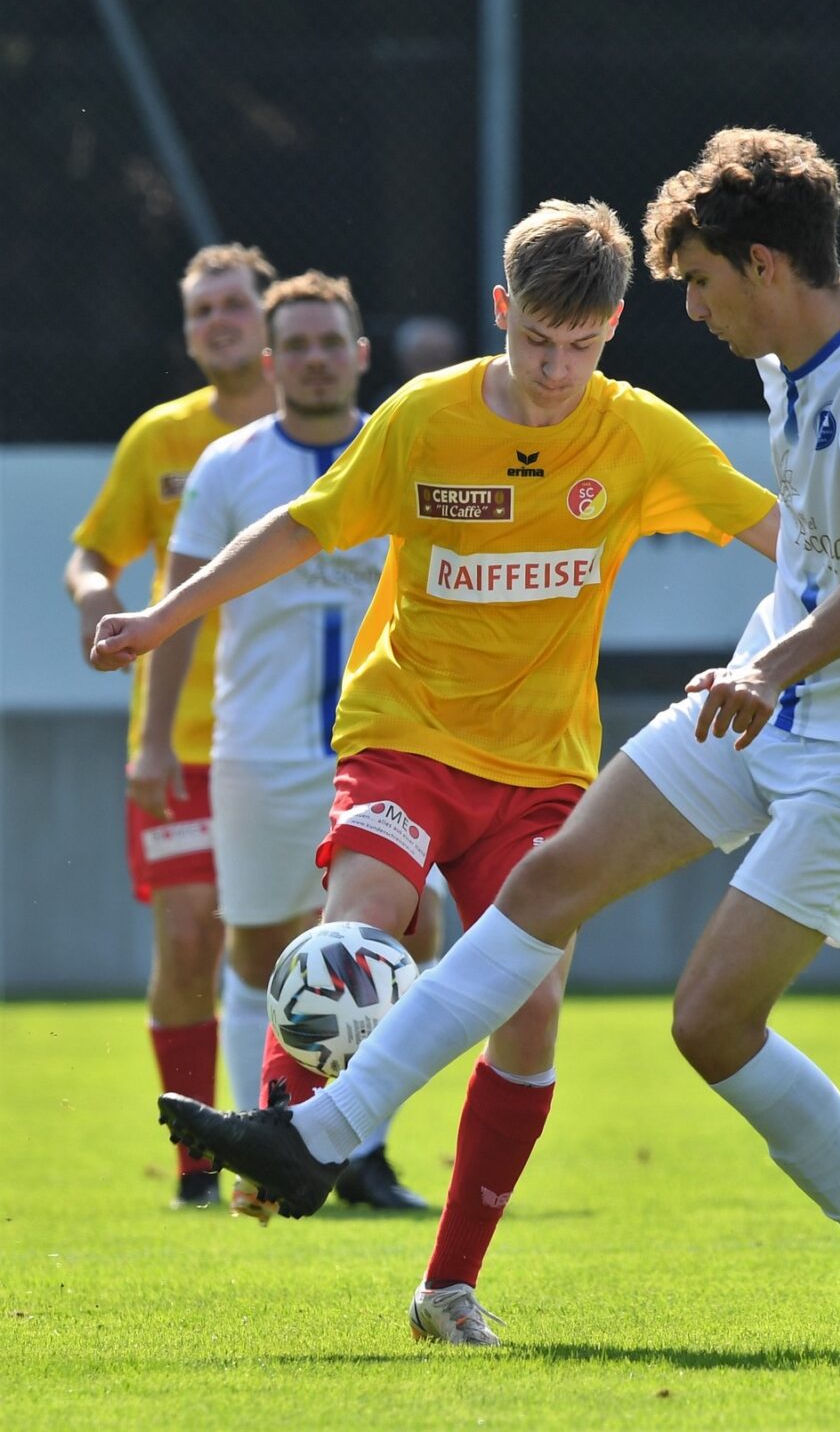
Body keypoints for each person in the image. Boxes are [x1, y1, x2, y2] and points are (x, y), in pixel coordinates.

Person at [145, 133, 840, 1353]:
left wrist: (771, 661)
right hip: (754, 702)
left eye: (701, 281)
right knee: (547, 888)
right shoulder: (810, 369)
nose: (693, 309)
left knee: (709, 1021)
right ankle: (316, 1134)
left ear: (765, 265)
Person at [91, 196, 786, 1339]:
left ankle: (448, 1285)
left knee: (533, 1005)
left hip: (543, 771)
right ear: (503, 310)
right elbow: (306, 524)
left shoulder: (641, 433)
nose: (555, 370)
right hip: (405, 736)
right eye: (536, 340)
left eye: (581, 346)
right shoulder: (425, 416)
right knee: (358, 926)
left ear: (614, 325)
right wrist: (166, 616)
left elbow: (788, 535)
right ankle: (279, 1124)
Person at [141, 268, 440, 1219]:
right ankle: (266, 1143)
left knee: (407, 935)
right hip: (258, 751)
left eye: (331, 342)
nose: (316, 359)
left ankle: (365, 1152)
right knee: (260, 950)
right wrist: (154, 740)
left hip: (386, 746)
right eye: (298, 344)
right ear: (272, 362)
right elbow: (180, 608)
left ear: (360, 354)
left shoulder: (408, 450)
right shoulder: (228, 465)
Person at [64, 242, 278, 1208]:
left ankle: (317, 1142)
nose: (217, 322)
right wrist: (94, 594)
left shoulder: (316, 433)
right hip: (182, 739)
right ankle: (198, 1159)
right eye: (200, 311)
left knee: (293, 946)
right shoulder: (160, 438)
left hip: (298, 738)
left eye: (232, 304)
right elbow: (91, 555)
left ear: (267, 314)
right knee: (191, 936)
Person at [370, 314, 465, 408]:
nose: (432, 366)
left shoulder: (468, 399)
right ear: (404, 358)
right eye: (424, 356)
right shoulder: (389, 403)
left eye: (440, 356)